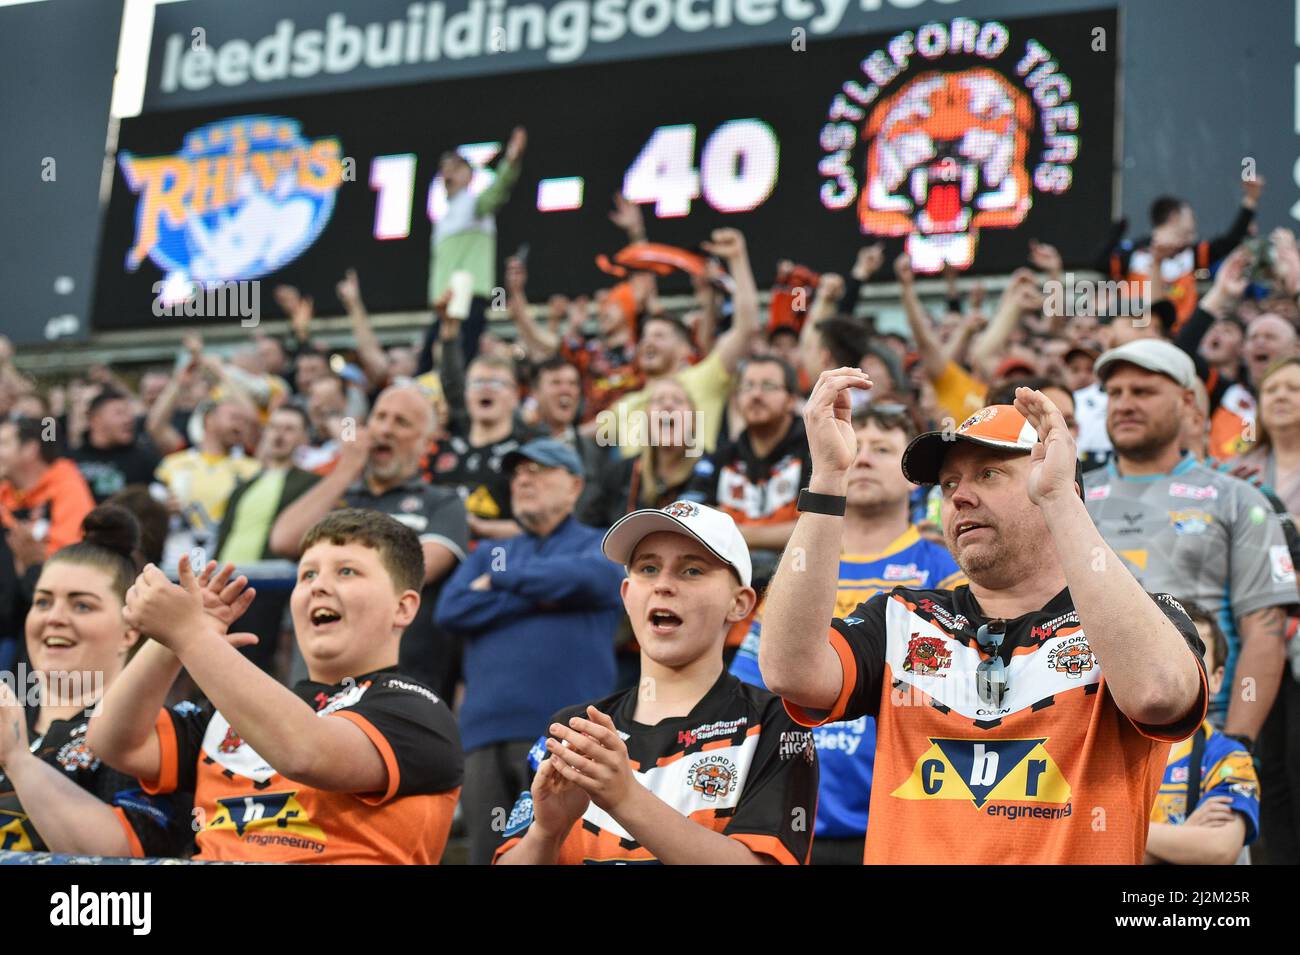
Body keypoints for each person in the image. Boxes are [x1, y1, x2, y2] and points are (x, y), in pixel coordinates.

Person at [761, 367, 1207, 864]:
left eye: (988, 474)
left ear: (1057, 485)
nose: (959, 496)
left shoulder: (1141, 620)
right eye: (949, 482)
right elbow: (790, 670)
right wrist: (827, 480)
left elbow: (1159, 694)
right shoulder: (904, 616)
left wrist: (1061, 502)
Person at [87, 509, 464, 863]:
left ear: (404, 608)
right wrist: (168, 644)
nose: (319, 587)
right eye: (308, 575)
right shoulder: (241, 711)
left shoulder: (419, 710)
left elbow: (307, 754)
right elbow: (114, 741)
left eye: (347, 572)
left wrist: (191, 637)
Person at [494, 501, 818, 864]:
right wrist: (546, 832)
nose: (663, 585)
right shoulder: (573, 730)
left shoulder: (777, 721)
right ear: (627, 595)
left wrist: (624, 798)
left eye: (692, 571)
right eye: (649, 568)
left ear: (740, 604)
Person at [729, 405, 964, 864]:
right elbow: (750, 696)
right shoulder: (799, 569)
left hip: (908, 821)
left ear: (916, 476)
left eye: (883, 449)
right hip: (791, 825)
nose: (866, 458)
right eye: (858, 447)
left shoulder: (947, 572)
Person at [1084, 339, 1295, 743]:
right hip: (1091, 729)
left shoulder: (1239, 499)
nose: (1124, 404)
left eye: (1143, 392)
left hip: (1200, 730)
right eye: (1115, 393)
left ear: (1186, 402)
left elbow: (1264, 632)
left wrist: (1234, 747)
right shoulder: (1068, 500)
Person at [435, 438, 625, 865]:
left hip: (570, 736)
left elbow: (594, 579)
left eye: (539, 470)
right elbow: (452, 609)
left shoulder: (598, 543)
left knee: (573, 853)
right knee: (492, 857)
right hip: (485, 734)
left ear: (575, 485)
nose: (524, 479)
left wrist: (501, 583)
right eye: (518, 473)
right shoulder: (493, 552)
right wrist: (543, 592)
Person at [0, 506, 190, 857]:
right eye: (42, 602)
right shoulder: (10, 716)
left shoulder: (145, 736)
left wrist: (16, 759)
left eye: (82, 606)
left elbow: (131, 861)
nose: (54, 618)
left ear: (130, 631)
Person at [270, 384, 468, 698]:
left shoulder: (443, 502)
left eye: (402, 422)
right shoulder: (337, 494)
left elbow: (420, 568)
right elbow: (283, 540)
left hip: (399, 686)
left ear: (426, 443)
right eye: (381, 418)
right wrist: (346, 469)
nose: (386, 430)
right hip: (315, 683)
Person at [607, 229, 760, 459]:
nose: (648, 341)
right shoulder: (625, 405)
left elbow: (746, 329)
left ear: (684, 349)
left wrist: (737, 258)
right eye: (645, 337)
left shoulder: (704, 379)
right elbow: (578, 436)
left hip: (695, 490)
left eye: (659, 336)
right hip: (639, 493)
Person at [1146, 601, 1260, 865]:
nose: (1177, 670)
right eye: (1165, 651)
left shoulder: (1227, 756)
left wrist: (1127, 835)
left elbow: (1219, 851)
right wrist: (1182, 839)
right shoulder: (1106, 749)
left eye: (1192, 655)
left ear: (1217, 679)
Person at [213, 405, 320, 673]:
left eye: (289, 429)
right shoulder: (243, 486)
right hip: (225, 587)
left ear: (303, 438)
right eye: (274, 427)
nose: (279, 435)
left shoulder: (313, 485)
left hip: (268, 588)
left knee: (253, 666)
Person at [419, 126, 526, 372]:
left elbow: (499, 189)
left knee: (459, 362)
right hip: (444, 304)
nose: (448, 173)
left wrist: (512, 159)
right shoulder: (443, 218)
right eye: (444, 168)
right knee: (429, 363)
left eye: (456, 167)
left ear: (469, 175)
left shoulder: (475, 205)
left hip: (467, 300)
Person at [684, 356, 810, 554]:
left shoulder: (813, 452)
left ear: (791, 400)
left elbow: (817, 529)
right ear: (736, 400)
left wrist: (734, 531)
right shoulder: (720, 457)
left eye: (768, 386)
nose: (756, 395)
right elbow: (693, 521)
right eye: (747, 387)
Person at [529, 356, 632, 529]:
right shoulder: (516, 447)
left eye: (573, 384)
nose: (566, 390)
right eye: (556, 383)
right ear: (535, 393)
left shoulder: (598, 454)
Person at [0, 416, 96, 564]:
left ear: (30, 449)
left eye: (3, 443)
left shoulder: (67, 486)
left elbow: (70, 552)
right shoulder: (5, 492)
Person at [70, 388, 160, 504]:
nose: (128, 419)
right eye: (119, 413)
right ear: (95, 420)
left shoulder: (145, 460)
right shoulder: (71, 462)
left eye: (129, 413)